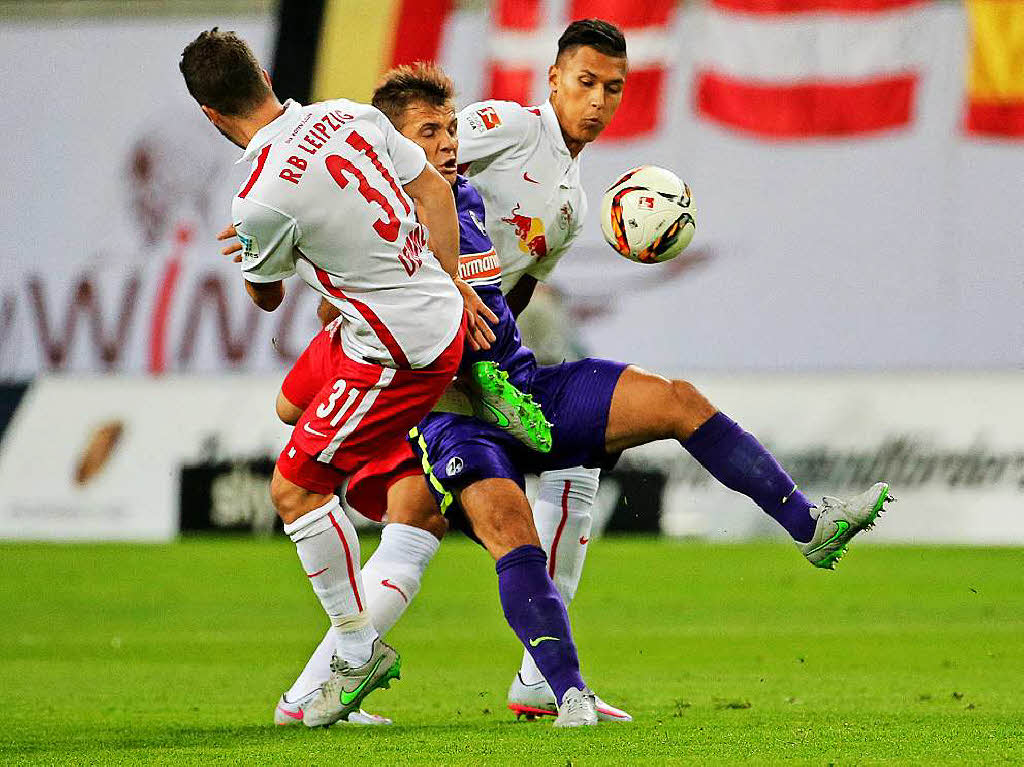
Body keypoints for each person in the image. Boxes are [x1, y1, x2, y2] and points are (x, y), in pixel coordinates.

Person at [271, 61, 894, 729]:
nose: (452, 141)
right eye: (432, 132)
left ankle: (811, 526)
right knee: (506, 536)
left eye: (452, 128)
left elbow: (502, 291)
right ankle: (556, 690)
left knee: (675, 401)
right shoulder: (393, 220)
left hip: (523, 382)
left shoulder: (466, 199)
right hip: (454, 415)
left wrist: (494, 355)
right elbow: (359, 316)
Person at [179, 28, 495, 727]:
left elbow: (266, 296)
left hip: (396, 348)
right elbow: (434, 195)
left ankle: (357, 648)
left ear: (209, 114)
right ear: (263, 73)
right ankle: (320, 695)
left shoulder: (257, 200)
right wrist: (449, 283)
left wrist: (259, 250)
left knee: (294, 488)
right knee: (293, 411)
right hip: (410, 321)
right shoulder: (350, 114)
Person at [453, 18, 630, 719]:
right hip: (420, 330)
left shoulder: (574, 200)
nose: (597, 101)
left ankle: (538, 672)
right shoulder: (506, 125)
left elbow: (520, 285)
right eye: (585, 82)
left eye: (612, 89)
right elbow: (412, 167)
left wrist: (497, 340)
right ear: (552, 78)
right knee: (406, 514)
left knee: (577, 458)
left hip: (477, 348)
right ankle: (328, 674)